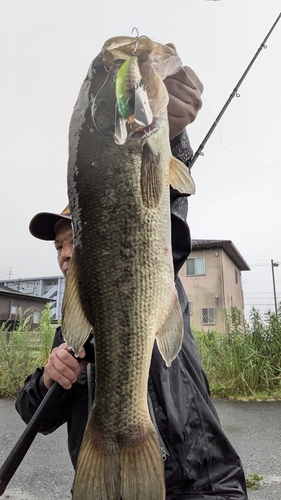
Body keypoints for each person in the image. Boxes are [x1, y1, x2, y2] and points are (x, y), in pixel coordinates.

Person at [16, 53, 248, 499]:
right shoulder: (73, 326)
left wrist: (171, 137)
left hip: (204, 482)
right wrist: (48, 378)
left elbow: (163, 213)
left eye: (72, 240)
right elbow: (37, 415)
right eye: (58, 246)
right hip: (115, 485)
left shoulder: (160, 269)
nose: (66, 253)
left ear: (94, 237)